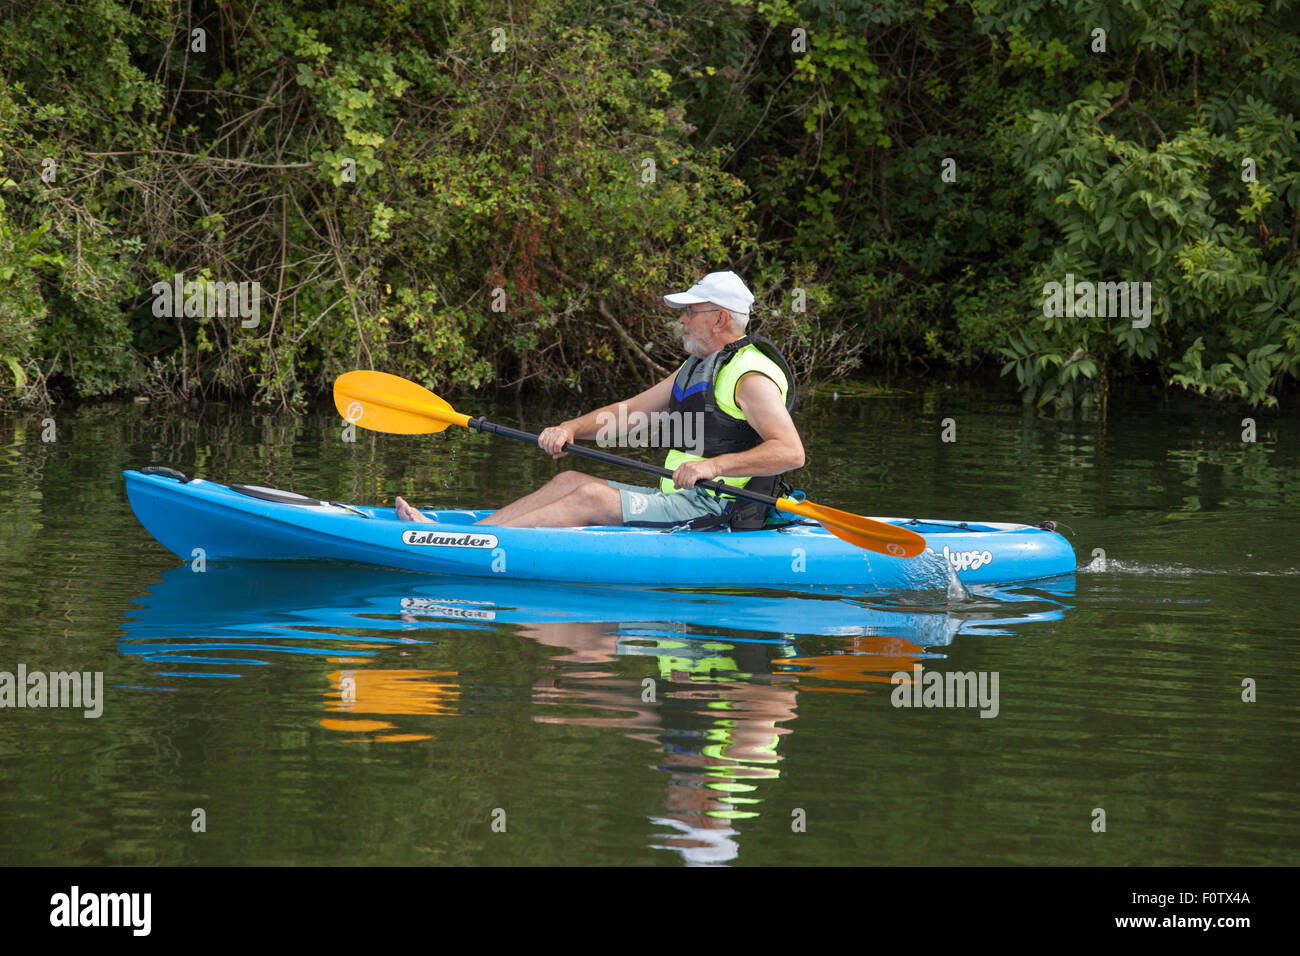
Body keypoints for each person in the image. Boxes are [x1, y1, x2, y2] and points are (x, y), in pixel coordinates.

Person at [394, 270, 804, 528]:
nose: (680, 319)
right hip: (680, 498)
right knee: (570, 480)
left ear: (719, 318)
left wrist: (712, 465)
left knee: (590, 497)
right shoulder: (696, 366)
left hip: (719, 509)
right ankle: (468, 536)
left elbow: (789, 451)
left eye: (690, 311)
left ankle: (458, 541)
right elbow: (628, 414)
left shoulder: (750, 375)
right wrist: (571, 428)